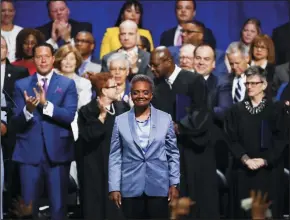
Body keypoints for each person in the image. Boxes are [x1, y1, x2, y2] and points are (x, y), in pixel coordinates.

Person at [149, 46, 219, 219]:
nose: (152, 68)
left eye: (155, 65)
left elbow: (202, 112)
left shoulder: (194, 80)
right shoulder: (156, 85)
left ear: (168, 61)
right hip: (169, 153)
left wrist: (178, 127)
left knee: (197, 199)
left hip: (195, 151)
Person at [11, 42, 78, 220]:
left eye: (46, 56)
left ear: (53, 58)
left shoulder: (67, 84)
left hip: (57, 154)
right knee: (28, 209)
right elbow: (15, 122)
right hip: (29, 154)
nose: (42, 60)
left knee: (58, 207)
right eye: (38, 56)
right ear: (33, 59)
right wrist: (28, 110)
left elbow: (68, 116)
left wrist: (45, 104)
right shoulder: (21, 85)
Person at [109, 75, 180, 219]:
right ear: (131, 95)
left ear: (151, 95)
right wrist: (114, 187)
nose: (140, 96)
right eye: (136, 92)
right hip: (130, 186)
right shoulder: (120, 121)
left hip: (159, 185)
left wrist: (174, 183)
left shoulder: (165, 118)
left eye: (145, 92)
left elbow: (173, 153)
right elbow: (115, 156)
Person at [225, 66, 288, 218]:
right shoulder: (235, 111)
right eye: (247, 84)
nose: (250, 87)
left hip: (269, 172)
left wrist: (265, 160)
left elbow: (282, 138)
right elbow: (231, 139)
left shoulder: (276, 109)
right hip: (243, 171)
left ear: (264, 85)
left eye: (254, 83)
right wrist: (246, 159)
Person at [77, 72, 130, 220]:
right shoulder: (87, 111)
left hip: (117, 165)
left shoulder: (122, 108)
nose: (118, 88)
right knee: (95, 206)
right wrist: (101, 117)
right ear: (104, 90)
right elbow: (88, 136)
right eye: (114, 86)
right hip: (94, 166)